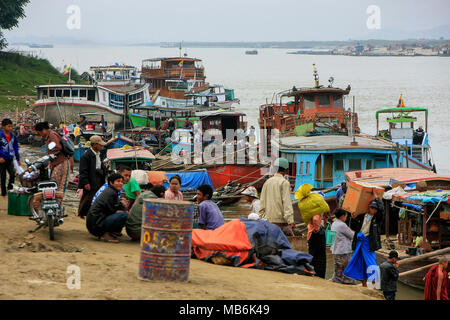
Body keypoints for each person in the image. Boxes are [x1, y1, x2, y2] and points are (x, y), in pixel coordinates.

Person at [344, 199, 383, 287]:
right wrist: (353, 218)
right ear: (369, 208)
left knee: (371, 263)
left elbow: (382, 210)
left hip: (369, 243)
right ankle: (364, 284)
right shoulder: (361, 216)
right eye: (372, 208)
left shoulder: (377, 218)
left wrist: (377, 197)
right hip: (359, 242)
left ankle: (374, 286)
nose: (374, 210)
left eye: (375, 209)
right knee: (359, 262)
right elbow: (353, 226)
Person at [86, 173, 128, 243]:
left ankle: (110, 232)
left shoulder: (111, 191)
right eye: (118, 181)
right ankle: (104, 234)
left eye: (121, 182)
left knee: (122, 213)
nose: (120, 183)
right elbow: (112, 210)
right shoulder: (111, 193)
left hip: (94, 223)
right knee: (123, 215)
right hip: (96, 225)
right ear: (111, 183)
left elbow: (116, 206)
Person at [259, 157, 295, 234]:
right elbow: (287, 203)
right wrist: (290, 220)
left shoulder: (267, 182)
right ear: (286, 170)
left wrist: (261, 217)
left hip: (268, 221)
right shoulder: (284, 182)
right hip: (280, 222)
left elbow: (262, 202)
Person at [34, 121, 70, 194]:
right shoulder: (49, 136)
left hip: (61, 163)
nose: (40, 135)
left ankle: (58, 203)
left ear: (43, 130)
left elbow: (57, 147)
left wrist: (50, 156)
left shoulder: (52, 135)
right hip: (55, 163)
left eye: (39, 133)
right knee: (54, 184)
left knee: (59, 186)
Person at [77, 135, 107, 218]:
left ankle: (92, 213)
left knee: (96, 196)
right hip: (90, 178)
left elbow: (99, 165)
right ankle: (81, 213)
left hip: (97, 177)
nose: (101, 146)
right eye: (100, 145)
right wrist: (86, 182)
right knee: (87, 197)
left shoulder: (98, 154)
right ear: (95, 145)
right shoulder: (86, 156)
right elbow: (83, 171)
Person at [330, 209, 356, 285]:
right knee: (346, 267)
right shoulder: (342, 225)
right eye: (345, 216)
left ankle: (338, 280)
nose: (346, 218)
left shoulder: (334, 223)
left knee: (338, 268)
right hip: (343, 250)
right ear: (342, 216)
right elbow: (352, 235)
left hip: (336, 249)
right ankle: (347, 281)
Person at [0, 119, 20, 196]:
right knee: (3, 176)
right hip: (2, 159)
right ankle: (4, 193)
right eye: (9, 126)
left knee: (12, 174)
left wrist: (18, 159)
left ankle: (10, 188)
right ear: (4, 127)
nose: (10, 128)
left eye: (11, 126)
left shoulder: (13, 136)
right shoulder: (0, 136)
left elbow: (16, 147)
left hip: (10, 158)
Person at [307, 213, 327, 279]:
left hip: (312, 235)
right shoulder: (316, 212)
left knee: (313, 256)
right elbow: (315, 219)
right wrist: (317, 228)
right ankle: (319, 275)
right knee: (320, 257)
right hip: (317, 235)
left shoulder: (311, 211)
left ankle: (312, 273)